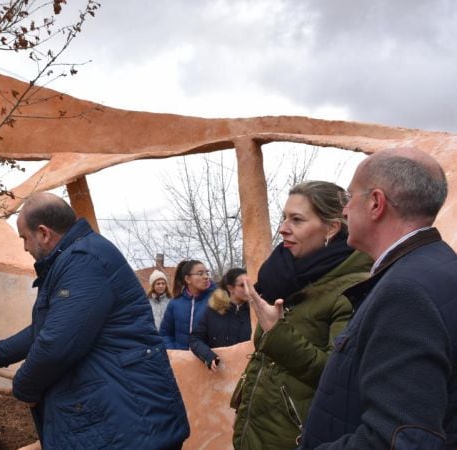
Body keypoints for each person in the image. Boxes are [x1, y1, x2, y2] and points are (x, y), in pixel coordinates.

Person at [0, 193, 190, 449]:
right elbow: (45, 330)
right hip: (122, 414)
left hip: (128, 419)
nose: (25, 248)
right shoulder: (75, 258)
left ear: (43, 233)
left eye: (24, 238)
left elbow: (57, 344)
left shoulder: (84, 261)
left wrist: (25, 386)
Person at [300, 148, 457, 449]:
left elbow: (399, 440)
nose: (344, 211)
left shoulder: (405, 293)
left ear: (376, 203)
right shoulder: (436, 267)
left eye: (349, 197)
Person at [232, 181, 373, 449]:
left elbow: (338, 376)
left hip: (301, 438)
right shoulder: (283, 279)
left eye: (296, 220)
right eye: (284, 217)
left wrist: (278, 333)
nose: (283, 228)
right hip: (256, 432)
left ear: (332, 228)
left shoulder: (354, 289)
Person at [188, 268, 251, 371]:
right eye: (242, 285)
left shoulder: (255, 312)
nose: (248, 289)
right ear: (230, 288)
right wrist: (208, 356)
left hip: (249, 373)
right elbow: (195, 339)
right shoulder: (213, 311)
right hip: (220, 373)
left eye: (249, 284)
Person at [160, 259, 216, 350]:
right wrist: (175, 353)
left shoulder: (216, 300)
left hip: (208, 361)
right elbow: (165, 334)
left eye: (207, 273)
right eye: (200, 273)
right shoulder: (175, 303)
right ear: (188, 279)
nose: (206, 277)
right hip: (180, 361)